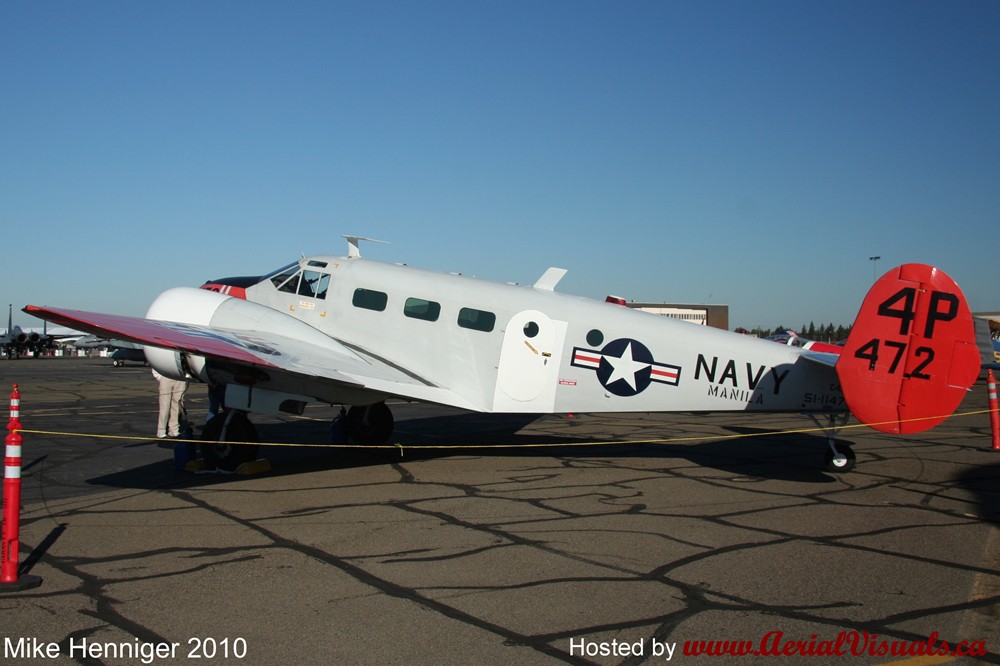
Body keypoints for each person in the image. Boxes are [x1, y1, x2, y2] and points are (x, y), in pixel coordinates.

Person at [152, 369, 189, 438]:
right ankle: (161, 431)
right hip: (166, 375)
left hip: (180, 376)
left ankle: (174, 430)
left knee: (177, 405)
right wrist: (159, 376)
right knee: (165, 406)